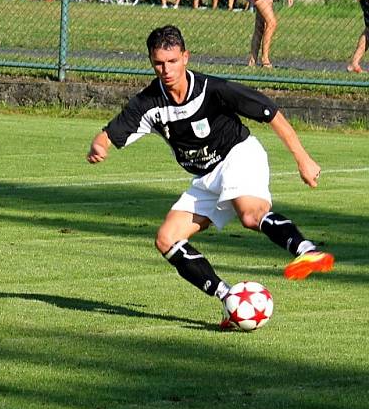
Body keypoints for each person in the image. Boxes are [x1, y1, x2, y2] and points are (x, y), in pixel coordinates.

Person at [86, 25, 334, 327]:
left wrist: (303, 158)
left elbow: (269, 111)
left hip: (238, 156)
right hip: (205, 178)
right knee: (167, 239)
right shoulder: (148, 102)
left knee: (250, 215)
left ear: (185, 57)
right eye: (159, 63)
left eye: (172, 61)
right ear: (152, 62)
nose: (166, 70)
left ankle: (308, 251)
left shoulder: (212, 90)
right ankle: (230, 299)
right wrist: (99, 146)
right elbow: (110, 133)